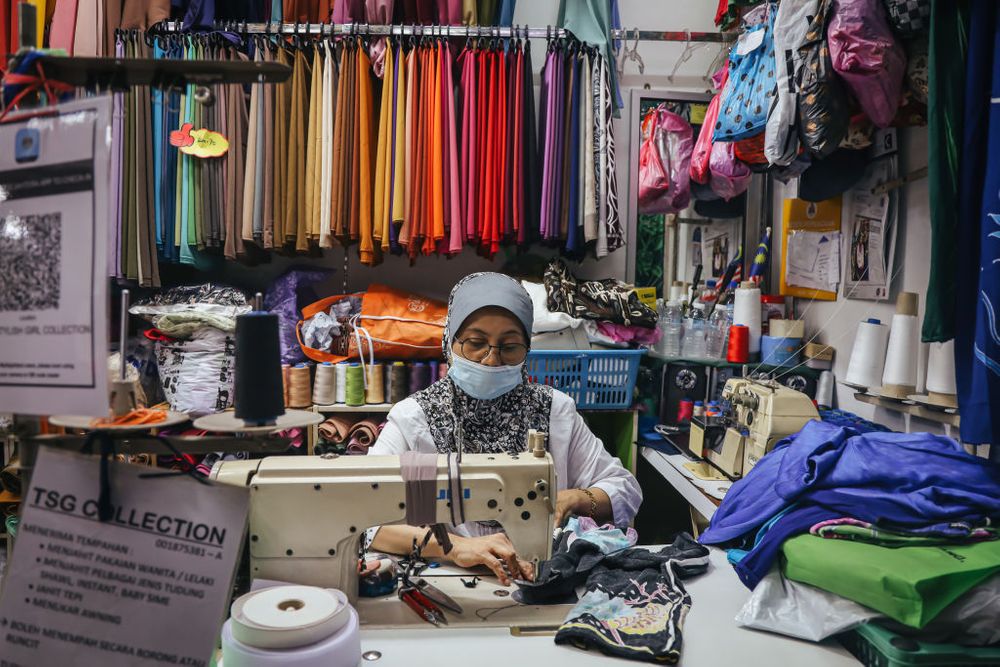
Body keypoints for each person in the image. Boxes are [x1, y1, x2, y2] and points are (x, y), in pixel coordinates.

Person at [368, 273, 643, 585]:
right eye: (475, 343)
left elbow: (625, 489)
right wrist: (456, 547)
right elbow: (365, 520)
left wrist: (574, 499)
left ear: (527, 347)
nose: (491, 359)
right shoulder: (412, 420)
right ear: (450, 340)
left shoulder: (555, 412)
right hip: (447, 579)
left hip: (540, 577)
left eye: (510, 346)